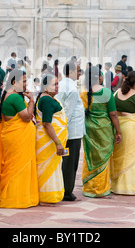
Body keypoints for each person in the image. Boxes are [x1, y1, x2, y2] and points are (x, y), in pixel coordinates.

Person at [0, 69, 38, 208]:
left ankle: (13, 197)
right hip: (17, 137)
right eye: (23, 81)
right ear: (13, 82)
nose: (25, 84)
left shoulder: (8, 95)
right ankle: (15, 199)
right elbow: (26, 117)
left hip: (14, 135)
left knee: (13, 167)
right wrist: (31, 101)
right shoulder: (15, 97)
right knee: (18, 168)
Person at [80, 66, 122, 198]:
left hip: (88, 128)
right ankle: (100, 189)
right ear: (100, 77)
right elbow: (113, 114)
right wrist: (119, 131)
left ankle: (89, 187)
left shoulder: (83, 93)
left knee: (90, 156)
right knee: (103, 158)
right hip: (104, 128)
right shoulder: (106, 92)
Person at [34, 74, 67, 203]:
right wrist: (58, 143)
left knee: (52, 167)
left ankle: (50, 195)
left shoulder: (47, 98)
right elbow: (47, 123)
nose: (57, 87)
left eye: (58, 84)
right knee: (48, 169)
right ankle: (47, 196)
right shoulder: (47, 100)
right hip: (48, 142)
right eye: (54, 84)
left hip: (48, 140)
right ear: (46, 87)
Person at [56, 60, 84, 201]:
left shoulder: (63, 84)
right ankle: (67, 191)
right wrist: (64, 131)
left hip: (67, 131)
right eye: (78, 71)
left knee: (66, 161)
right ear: (72, 72)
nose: (80, 74)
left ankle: (63, 188)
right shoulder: (71, 88)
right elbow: (68, 112)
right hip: (71, 133)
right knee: (70, 162)